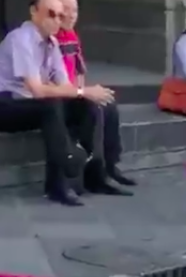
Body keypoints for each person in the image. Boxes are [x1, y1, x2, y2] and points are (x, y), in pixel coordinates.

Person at [0, 0, 127, 207]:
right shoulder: (21, 39)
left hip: (26, 103)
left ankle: (93, 174)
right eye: (51, 14)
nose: (57, 20)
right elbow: (37, 90)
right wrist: (82, 91)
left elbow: (65, 86)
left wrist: (85, 95)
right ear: (34, 11)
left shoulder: (53, 43)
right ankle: (65, 167)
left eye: (60, 16)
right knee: (51, 107)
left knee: (85, 105)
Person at [55, 0, 137, 188]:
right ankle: (95, 171)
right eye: (66, 10)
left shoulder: (72, 35)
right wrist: (82, 94)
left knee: (108, 102)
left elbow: (79, 70)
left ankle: (111, 164)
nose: (71, 15)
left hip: (74, 91)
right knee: (94, 109)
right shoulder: (52, 38)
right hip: (60, 95)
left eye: (75, 10)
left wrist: (83, 90)